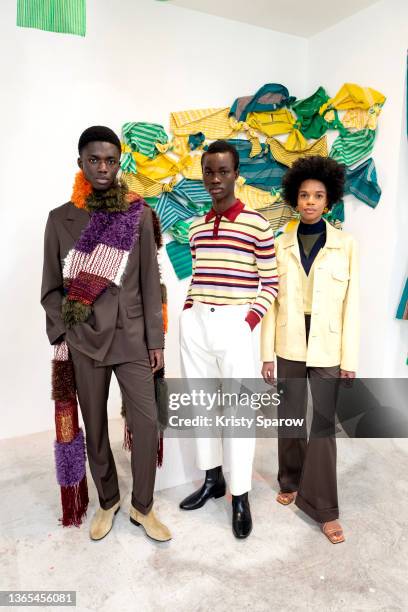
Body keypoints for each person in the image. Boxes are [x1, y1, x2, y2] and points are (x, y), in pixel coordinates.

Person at [41, 126, 171, 542]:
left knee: (147, 423)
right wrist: (69, 331)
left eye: (110, 160)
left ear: (119, 163)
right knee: (95, 427)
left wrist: (156, 341)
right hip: (86, 342)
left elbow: (151, 282)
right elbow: (50, 291)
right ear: (80, 162)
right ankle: (108, 500)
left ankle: (143, 507)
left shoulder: (138, 214)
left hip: (132, 336)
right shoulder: (59, 219)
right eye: (94, 159)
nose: (102, 167)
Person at [179, 140, 279, 538]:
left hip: (236, 323)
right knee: (201, 405)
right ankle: (212, 479)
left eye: (223, 171)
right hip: (197, 322)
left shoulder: (257, 223)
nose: (216, 178)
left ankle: (240, 495)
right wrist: (188, 310)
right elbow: (198, 275)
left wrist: (249, 321)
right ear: (202, 174)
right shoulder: (195, 226)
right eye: (209, 171)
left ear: (237, 174)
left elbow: (270, 281)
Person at [261, 155, 359, 544]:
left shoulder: (346, 245)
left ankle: (324, 509)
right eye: (304, 195)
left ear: (329, 201)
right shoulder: (278, 242)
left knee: (322, 425)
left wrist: (349, 359)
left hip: (327, 342)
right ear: (294, 199)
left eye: (318, 195)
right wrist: (266, 353)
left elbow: (352, 305)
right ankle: (289, 479)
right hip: (288, 338)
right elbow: (269, 300)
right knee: (289, 416)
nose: (310, 202)